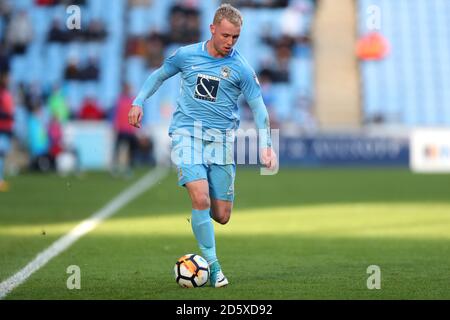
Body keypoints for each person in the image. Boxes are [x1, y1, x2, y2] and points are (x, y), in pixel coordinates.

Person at [128, 4, 277, 288]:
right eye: (225, 35)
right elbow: (159, 75)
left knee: (221, 215)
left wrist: (267, 145)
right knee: (200, 199)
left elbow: (259, 110)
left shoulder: (241, 68)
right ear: (212, 29)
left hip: (220, 142)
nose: (230, 42)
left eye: (235, 37)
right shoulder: (186, 55)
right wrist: (138, 102)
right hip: (187, 135)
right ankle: (214, 267)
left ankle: (202, 221)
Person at [0, 73, 14, 191]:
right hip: (2, 128)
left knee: (2, 155)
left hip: (6, 128)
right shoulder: (3, 95)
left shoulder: (6, 95)